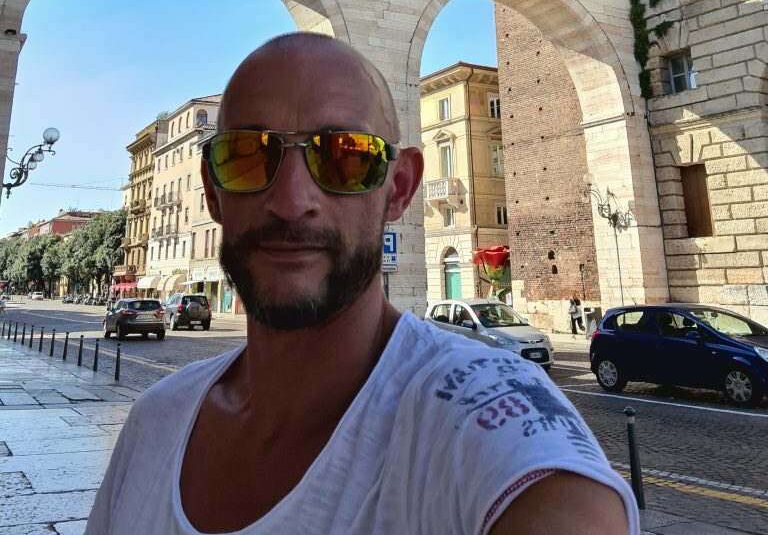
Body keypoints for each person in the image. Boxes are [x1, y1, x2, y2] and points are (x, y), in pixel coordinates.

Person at [86, 33, 637, 535]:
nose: (291, 200)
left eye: (344, 157)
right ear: (213, 191)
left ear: (399, 187)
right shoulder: (154, 423)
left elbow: (559, 501)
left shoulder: (482, 419)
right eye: (248, 156)